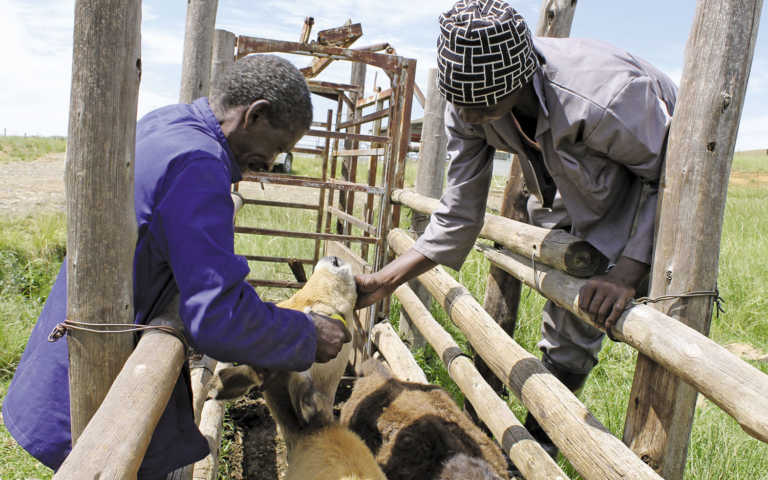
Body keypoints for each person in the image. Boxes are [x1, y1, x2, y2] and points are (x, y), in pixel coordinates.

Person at [355, 0, 676, 462]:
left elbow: (671, 176)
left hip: (649, 179)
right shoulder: (468, 103)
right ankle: (536, 442)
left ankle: (550, 444)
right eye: (460, 105)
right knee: (571, 295)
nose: (467, 116)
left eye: (481, 106)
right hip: (570, 180)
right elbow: (460, 210)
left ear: (518, 82)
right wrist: (385, 280)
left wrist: (628, 270)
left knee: (608, 303)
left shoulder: (606, 97)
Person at [3, 54, 351, 478]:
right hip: (96, 391)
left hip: (64, 366)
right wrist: (307, 332)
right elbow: (219, 318)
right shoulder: (198, 164)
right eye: (277, 147)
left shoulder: (167, 123)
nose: (271, 162)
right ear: (255, 115)